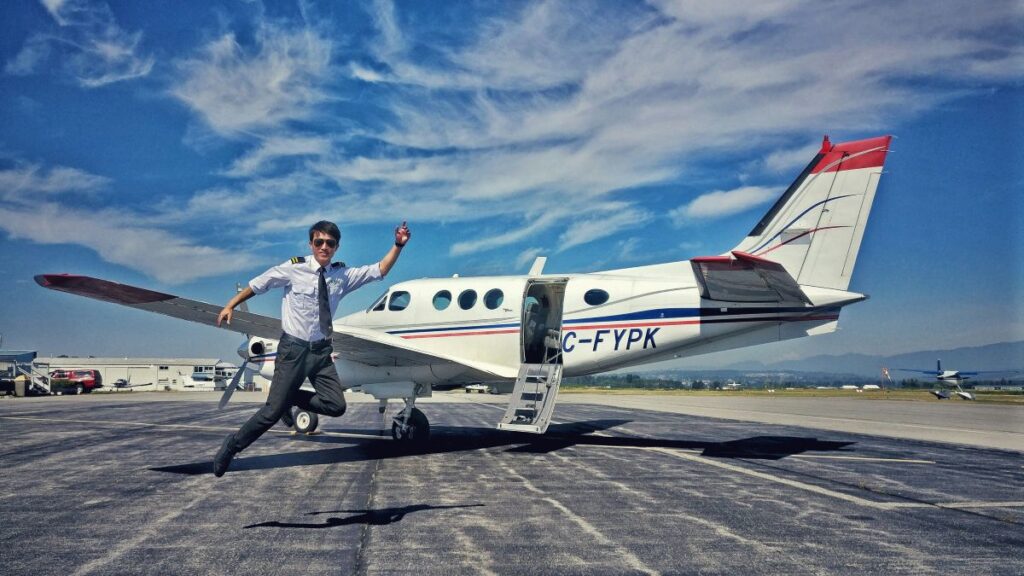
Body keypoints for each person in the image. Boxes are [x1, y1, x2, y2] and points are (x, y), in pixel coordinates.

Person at [212, 220, 410, 476]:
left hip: (321, 353)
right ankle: (232, 446)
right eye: (319, 242)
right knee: (271, 412)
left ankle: (290, 398)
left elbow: (380, 270)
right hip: (293, 349)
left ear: (336, 247)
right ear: (311, 244)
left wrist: (398, 245)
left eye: (329, 243)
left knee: (336, 406)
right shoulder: (294, 269)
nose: (324, 247)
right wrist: (230, 305)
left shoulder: (342, 275)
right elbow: (258, 284)